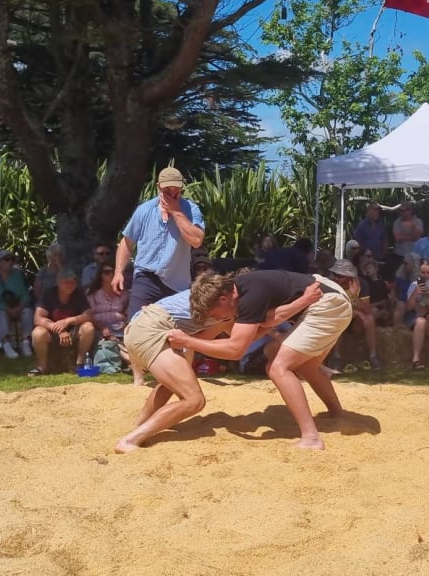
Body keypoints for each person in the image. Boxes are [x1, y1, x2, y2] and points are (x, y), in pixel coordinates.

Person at [116, 275, 326, 453]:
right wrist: (303, 301)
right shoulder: (220, 303)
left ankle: (139, 427)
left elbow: (236, 335)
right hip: (151, 328)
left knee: (173, 384)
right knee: (194, 400)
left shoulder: (218, 305)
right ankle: (130, 440)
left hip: (140, 326)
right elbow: (254, 331)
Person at [169, 261, 360, 451]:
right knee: (306, 366)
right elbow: (266, 323)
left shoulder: (249, 296)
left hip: (326, 303)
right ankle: (336, 412)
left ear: (223, 299)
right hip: (328, 297)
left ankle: (311, 437)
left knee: (277, 368)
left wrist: (187, 342)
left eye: (215, 314)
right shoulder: (244, 289)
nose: (218, 319)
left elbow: (235, 350)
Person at [113, 167, 204, 319]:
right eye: (167, 189)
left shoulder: (191, 210)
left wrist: (176, 212)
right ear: (158, 187)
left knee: (174, 330)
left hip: (176, 282)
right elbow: (127, 242)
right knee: (136, 326)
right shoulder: (144, 210)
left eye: (176, 189)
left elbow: (196, 241)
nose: (172, 193)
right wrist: (118, 272)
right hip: (146, 277)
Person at [29, 270, 95, 376]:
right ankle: (42, 367)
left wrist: (68, 321)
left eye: (73, 282)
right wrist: (58, 329)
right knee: (37, 333)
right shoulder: (49, 294)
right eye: (66, 282)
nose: (70, 285)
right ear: (58, 282)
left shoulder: (79, 294)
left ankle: (80, 363)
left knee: (88, 327)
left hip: (73, 331)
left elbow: (88, 315)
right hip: (51, 332)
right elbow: (38, 318)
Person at [0, 249, 34, 359]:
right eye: (7, 259)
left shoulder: (17, 275)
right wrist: (6, 309)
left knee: (28, 311)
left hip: (16, 307)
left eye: (11, 259)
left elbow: (25, 294)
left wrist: (20, 307)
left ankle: (25, 343)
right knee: (1, 314)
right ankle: (7, 345)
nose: (10, 262)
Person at [391, 201, 424, 273]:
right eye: (400, 211)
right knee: (399, 275)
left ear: (409, 211)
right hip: (400, 255)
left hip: (414, 255)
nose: (401, 213)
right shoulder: (397, 222)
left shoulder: (418, 221)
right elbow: (397, 237)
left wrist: (412, 226)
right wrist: (412, 237)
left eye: (403, 211)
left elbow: (418, 237)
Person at [393, 252, 420, 326]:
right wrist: (394, 299)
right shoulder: (400, 276)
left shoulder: (420, 278)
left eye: (406, 263)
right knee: (400, 304)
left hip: (416, 303)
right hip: (403, 301)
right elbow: (395, 290)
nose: (404, 265)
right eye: (404, 263)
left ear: (413, 264)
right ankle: (396, 330)